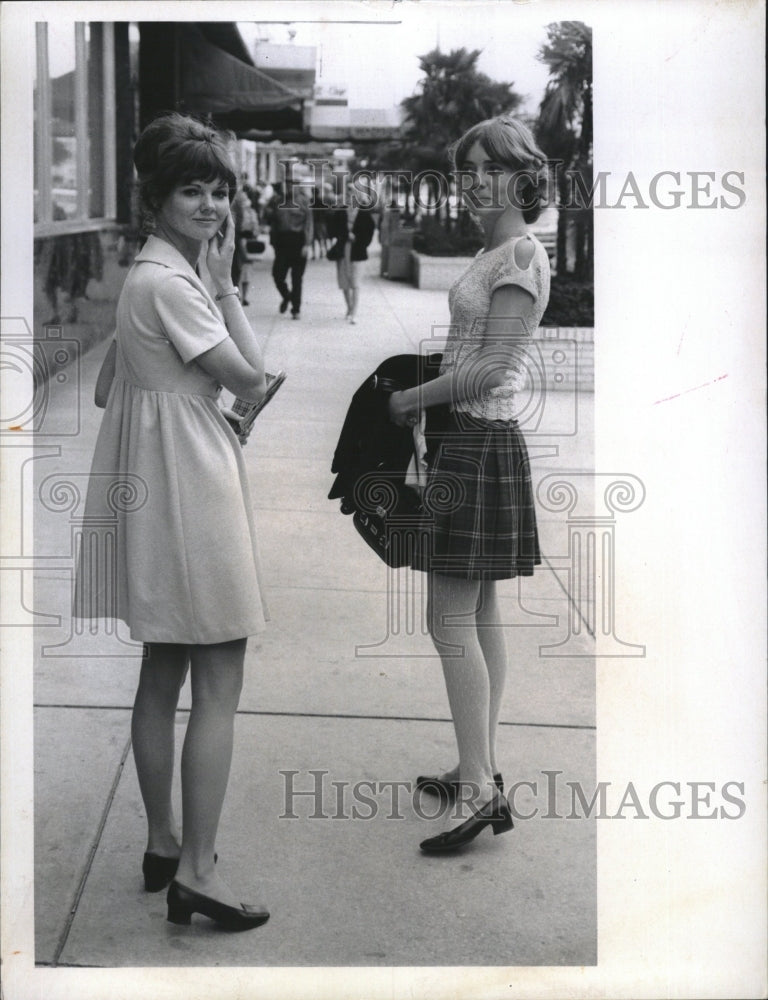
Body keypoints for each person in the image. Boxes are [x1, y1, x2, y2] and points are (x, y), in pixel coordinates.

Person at [75, 113, 271, 930]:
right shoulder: (178, 283)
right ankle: (197, 873)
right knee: (220, 672)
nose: (212, 205)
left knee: (164, 669)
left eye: (221, 190)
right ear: (156, 197)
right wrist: (224, 283)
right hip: (191, 482)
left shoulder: (143, 274)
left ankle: (163, 842)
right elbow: (251, 378)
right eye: (193, 189)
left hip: (156, 481)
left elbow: (101, 390)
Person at [387, 115, 551, 854]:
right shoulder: (493, 249)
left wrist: (407, 402)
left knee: (446, 619)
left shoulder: (519, 252)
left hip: (477, 445)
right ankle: (475, 765)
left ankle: (481, 790)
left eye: (489, 167)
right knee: (479, 613)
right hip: (465, 440)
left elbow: (491, 368)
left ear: (523, 174)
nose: (474, 181)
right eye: (466, 170)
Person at [263, 170, 313, 319]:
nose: (289, 187)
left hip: (298, 241)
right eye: (287, 184)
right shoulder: (277, 200)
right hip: (282, 243)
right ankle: (287, 296)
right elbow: (269, 219)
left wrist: (307, 244)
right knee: (277, 275)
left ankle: (296, 310)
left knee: (297, 278)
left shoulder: (304, 201)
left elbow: (309, 224)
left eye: (292, 184)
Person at [327, 187, 376, 324]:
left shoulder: (364, 214)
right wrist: (344, 235)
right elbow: (332, 230)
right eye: (348, 195)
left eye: (352, 195)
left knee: (355, 283)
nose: (349, 198)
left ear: (358, 197)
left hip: (358, 251)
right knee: (344, 282)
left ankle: (354, 312)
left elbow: (369, 232)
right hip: (343, 251)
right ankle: (349, 307)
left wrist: (359, 239)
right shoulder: (340, 212)